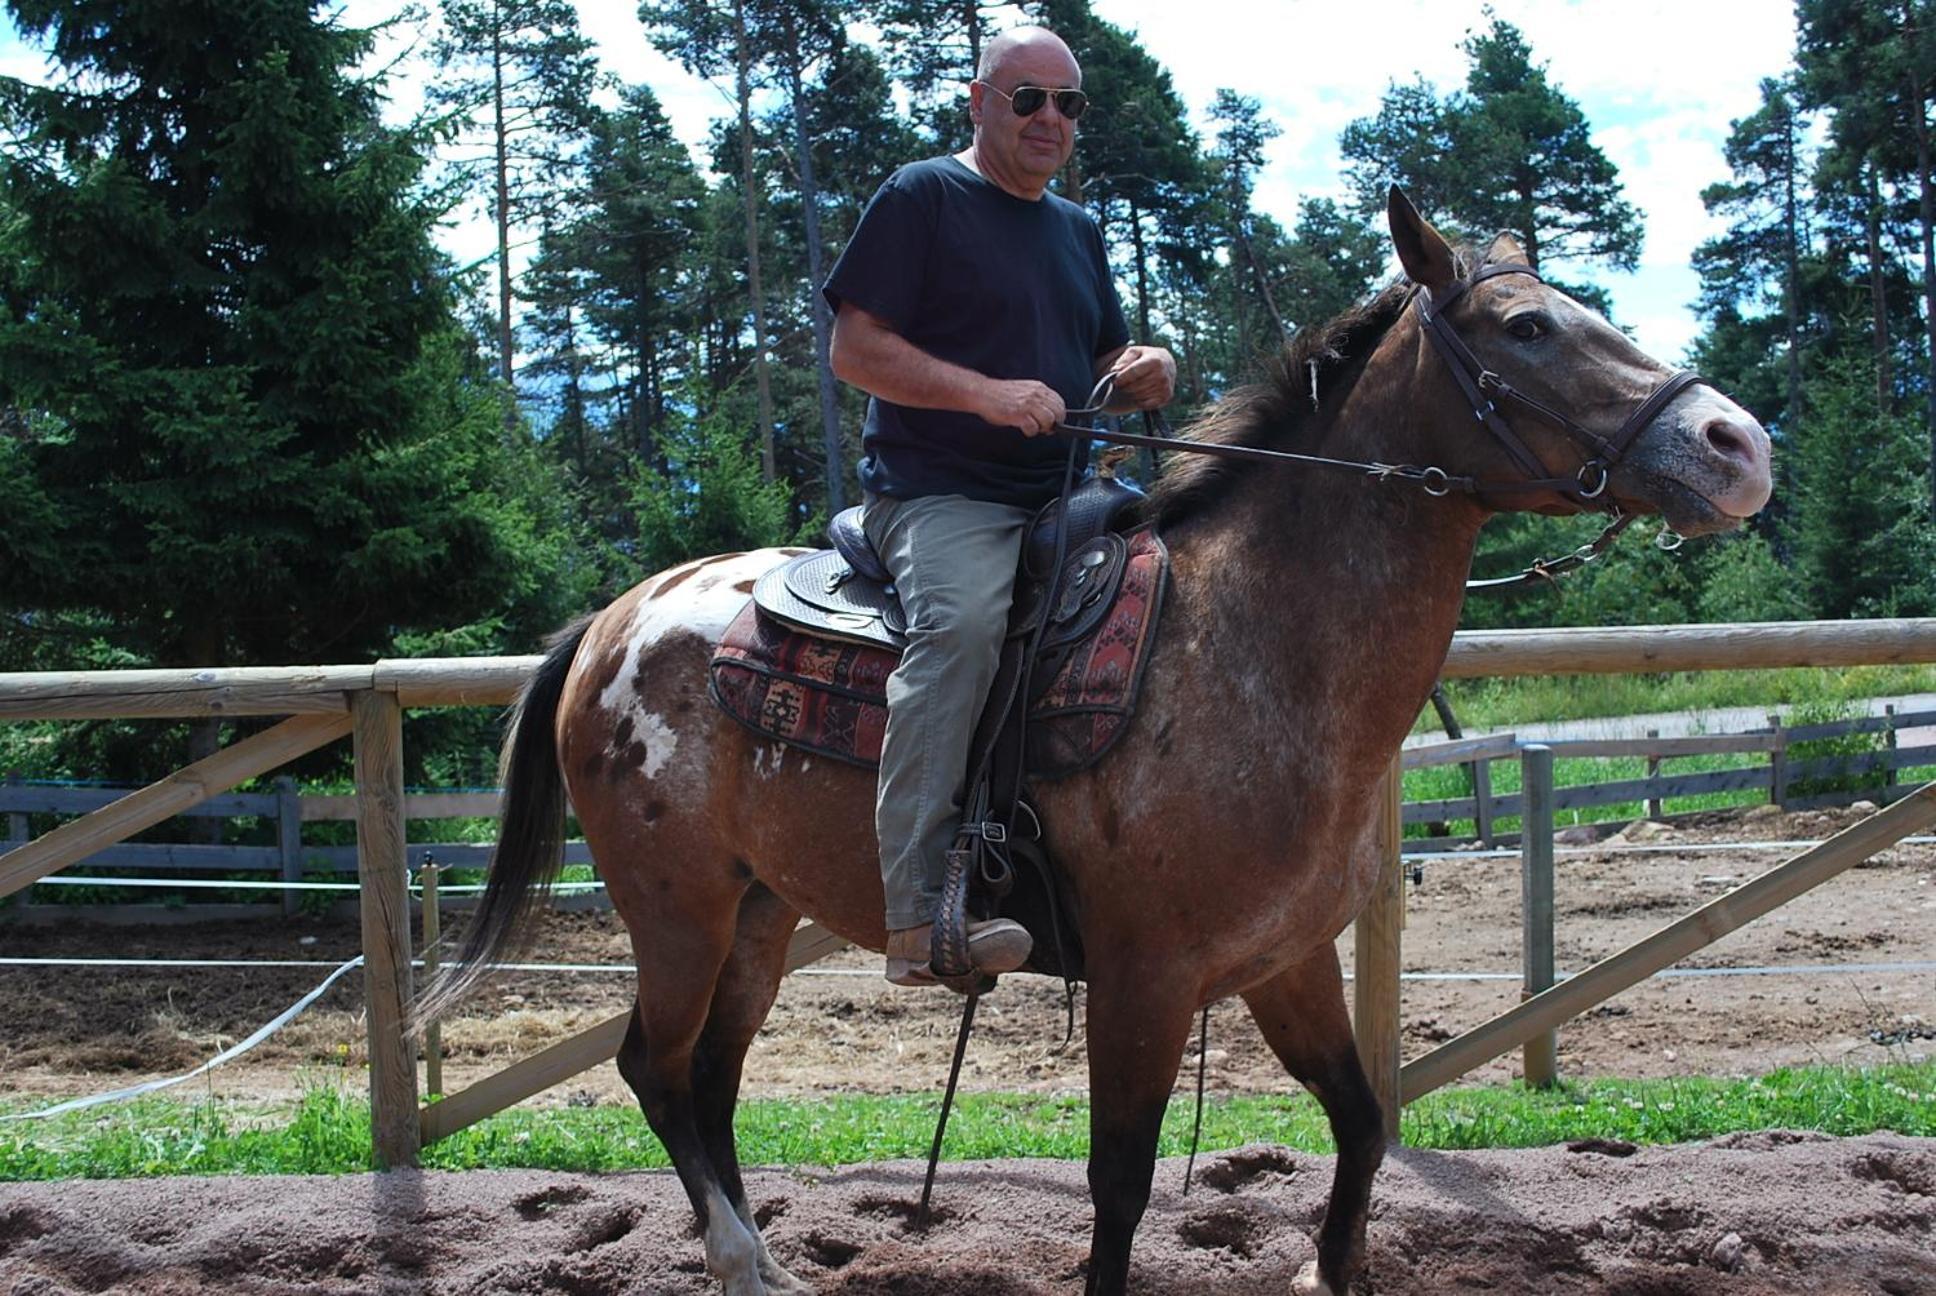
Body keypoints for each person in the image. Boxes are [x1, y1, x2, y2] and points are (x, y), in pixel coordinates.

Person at [823, 25, 1177, 987]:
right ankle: (913, 917)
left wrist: (1147, 366)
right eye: (1029, 99)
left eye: (1069, 104)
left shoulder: (1078, 230)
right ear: (980, 102)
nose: (1050, 119)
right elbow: (855, 350)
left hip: (1067, 496)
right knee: (965, 631)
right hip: (941, 495)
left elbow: (1102, 356)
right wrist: (987, 393)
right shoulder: (923, 196)